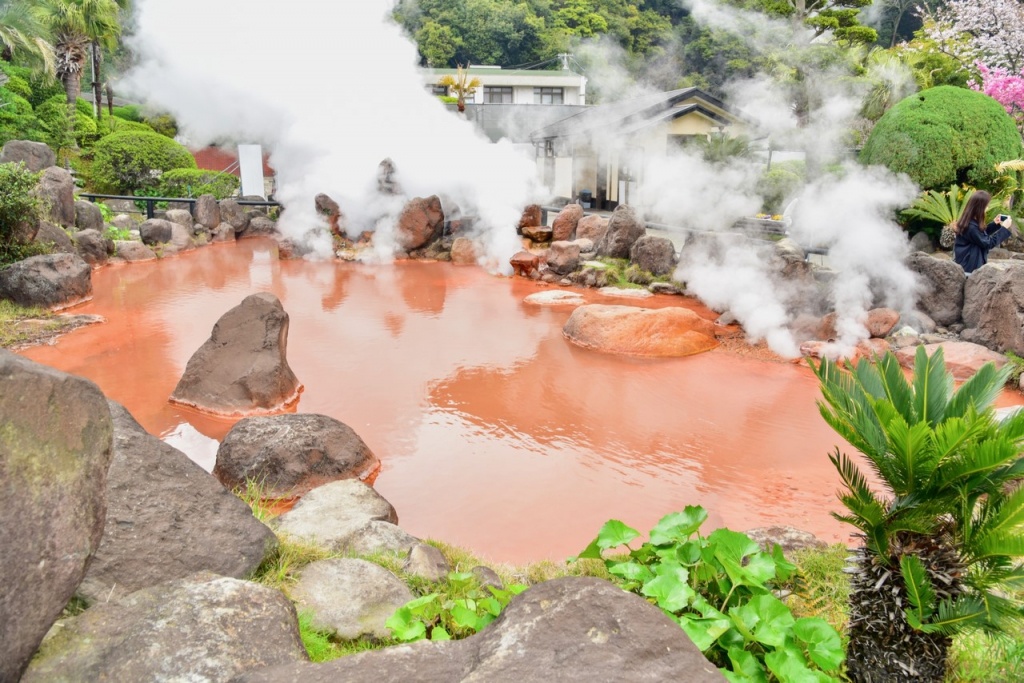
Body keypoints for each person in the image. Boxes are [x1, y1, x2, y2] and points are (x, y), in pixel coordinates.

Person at [953, 190, 1014, 274]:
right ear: (980, 207)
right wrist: (1004, 228)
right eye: (986, 206)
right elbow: (988, 243)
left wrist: (995, 224)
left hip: (967, 266)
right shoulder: (971, 227)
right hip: (969, 270)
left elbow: (980, 236)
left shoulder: (969, 222)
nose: (988, 208)